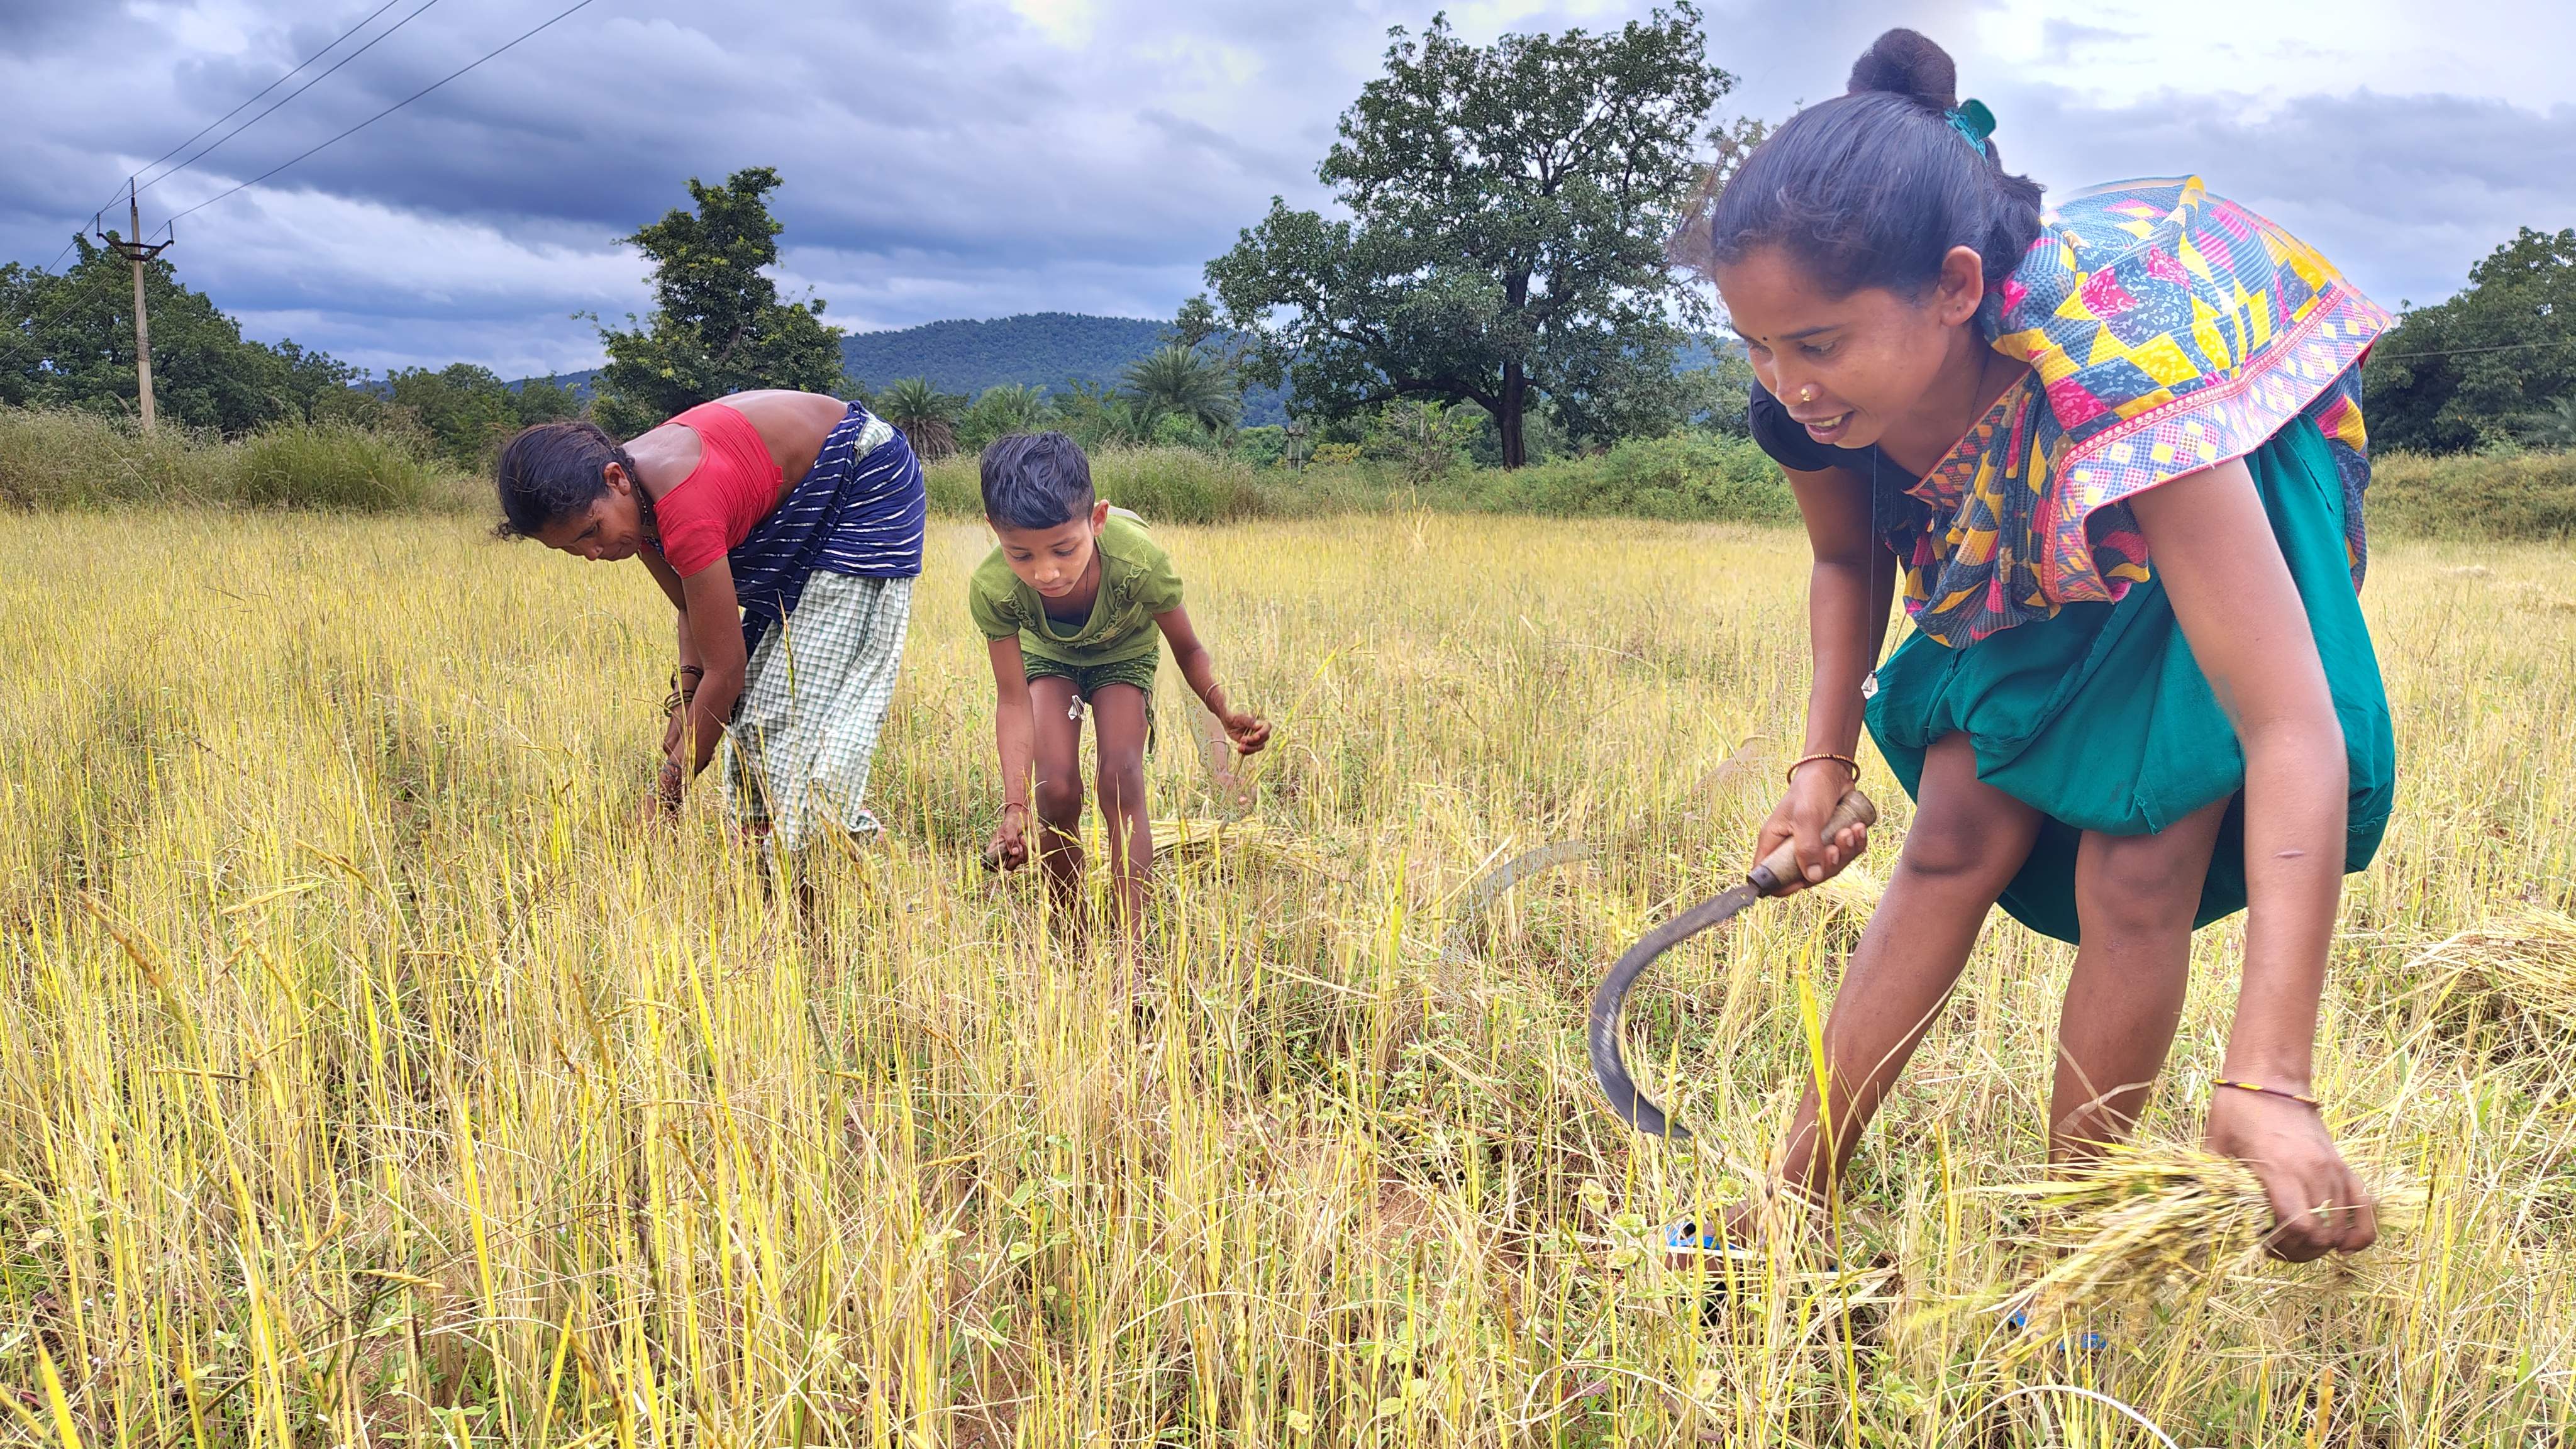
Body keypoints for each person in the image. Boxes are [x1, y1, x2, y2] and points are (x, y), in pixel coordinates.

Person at [1676, 29, 2396, 1266]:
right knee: (1952, 828)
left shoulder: (2125, 388)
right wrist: (1818, 769)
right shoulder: (1805, 404)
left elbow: (2287, 725)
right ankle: (1789, 1197)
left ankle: (2071, 1252)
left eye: (1817, 344)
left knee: (2139, 859)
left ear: (1955, 290)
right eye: (1757, 344)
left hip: (2197, 492)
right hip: (2012, 533)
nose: (1785, 384)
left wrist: (2269, 1075)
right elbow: (1845, 560)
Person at [493, 389, 925, 855]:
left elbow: (728, 671)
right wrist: (686, 693)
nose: (593, 554)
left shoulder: (681, 500)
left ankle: (841, 854)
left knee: (792, 726)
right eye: (572, 549)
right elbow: (688, 602)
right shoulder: (630, 502)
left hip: (861, 477)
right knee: (755, 729)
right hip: (803, 507)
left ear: (615, 478)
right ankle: (779, 861)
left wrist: (666, 795)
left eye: (591, 532)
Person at [970, 432, 1270, 931]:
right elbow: (1014, 700)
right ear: (994, 533)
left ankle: (1131, 948)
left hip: (1124, 655)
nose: (1046, 572)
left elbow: (1188, 648)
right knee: (1057, 788)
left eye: (1064, 549)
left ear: (1098, 519)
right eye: (1021, 555)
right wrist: (1014, 806)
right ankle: (1071, 938)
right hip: (1051, 658)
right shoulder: (994, 587)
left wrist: (1221, 707)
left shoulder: (1138, 561)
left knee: (1120, 777)